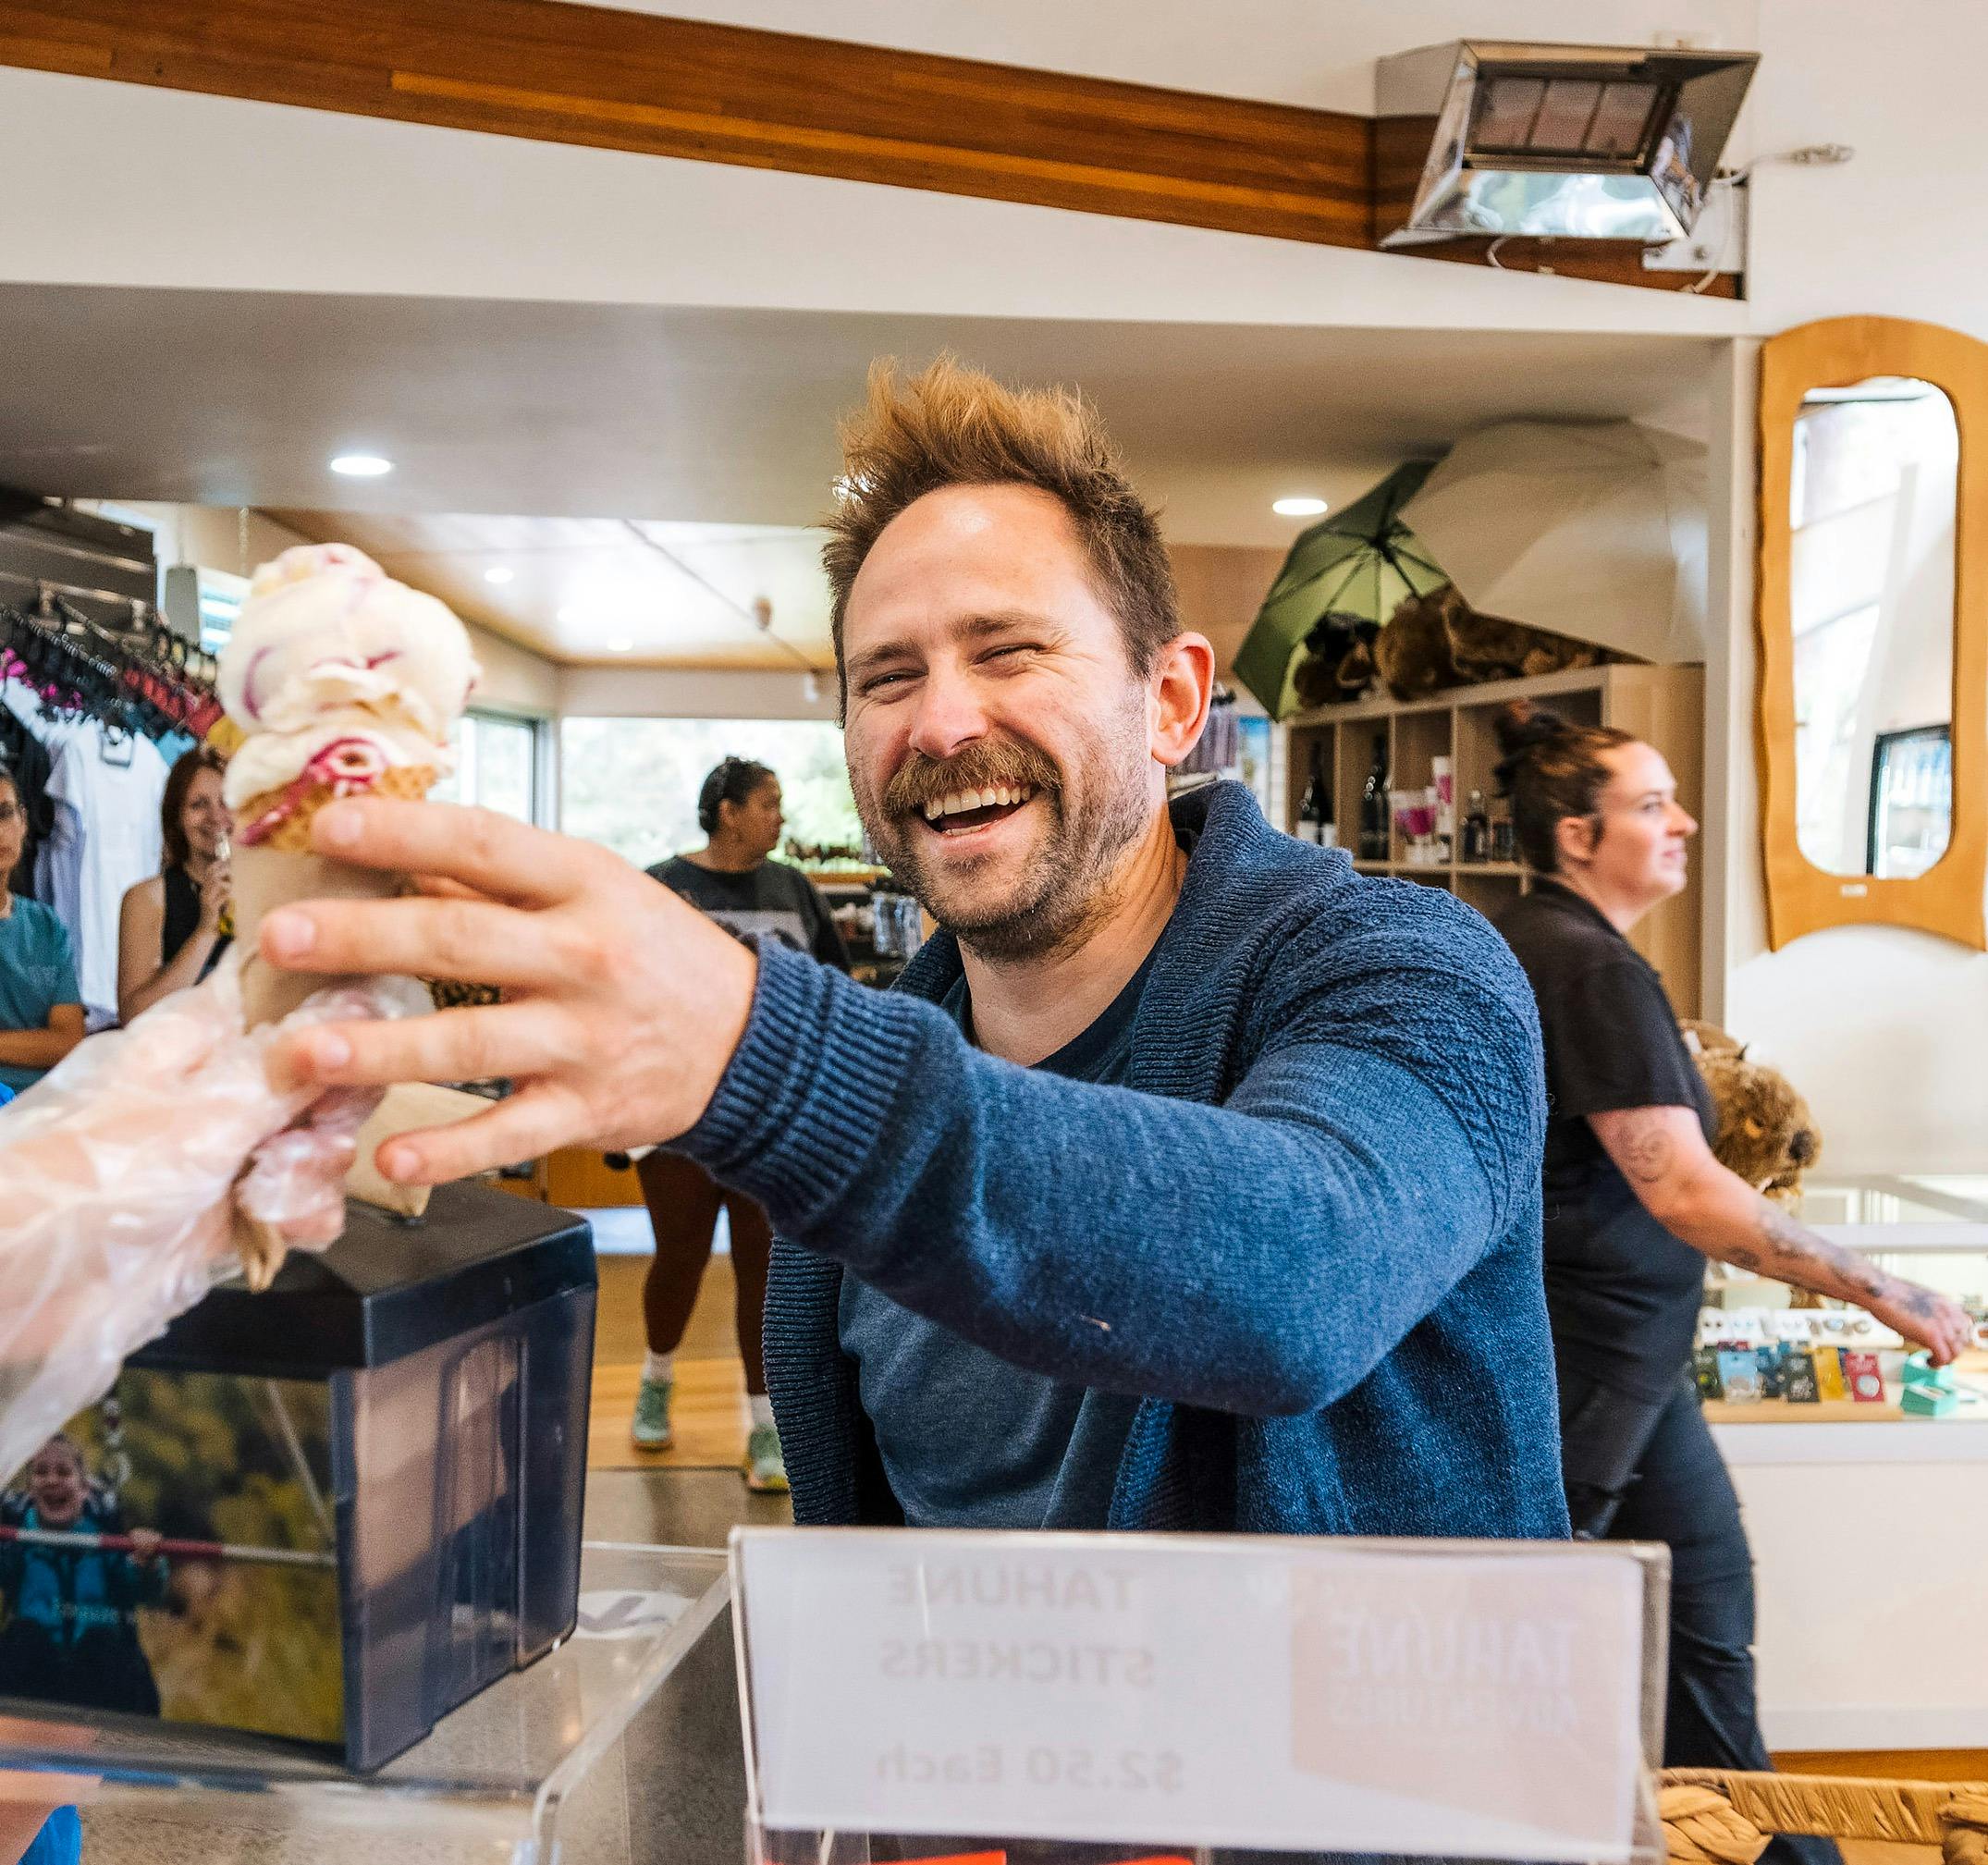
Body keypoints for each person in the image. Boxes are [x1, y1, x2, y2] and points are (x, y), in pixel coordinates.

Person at [258, 358, 1570, 1541]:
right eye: (887, 677)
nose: (941, 724)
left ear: (1169, 700)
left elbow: (1302, 1275)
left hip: (1341, 1809)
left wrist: (753, 1050)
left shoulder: (1405, 971)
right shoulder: (909, 1061)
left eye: (1008, 653)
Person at [1491, 701, 1971, 1865]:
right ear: (1574, 834)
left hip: (1630, 1371)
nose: (1683, 821)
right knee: (1572, 1677)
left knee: (1703, 1644)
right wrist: (1884, 1292)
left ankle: (1779, 1853)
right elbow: (1685, 1193)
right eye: (1650, 804)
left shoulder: (1560, 947)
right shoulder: (1583, 964)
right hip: (1587, 1371)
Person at [632, 757, 851, 1491]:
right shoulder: (662, 885)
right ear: (727, 811)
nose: (780, 817)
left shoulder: (794, 888)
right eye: (769, 802)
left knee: (767, 1271)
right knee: (680, 1259)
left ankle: (765, 1427)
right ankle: (656, 1380)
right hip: (679, 1118)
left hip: (774, 1120)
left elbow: (834, 990)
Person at [0, 1434, 165, 1717]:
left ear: (83, 1488)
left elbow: (144, 1589)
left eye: (63, 1472)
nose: (52, 1480)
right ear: (30, 1488)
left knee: (102, 1642)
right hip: (36, 1674)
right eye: (41, 1472)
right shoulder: (15, 1543)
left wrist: (146, 1561)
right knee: (26, 1637)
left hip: (95, 1678)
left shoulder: (106, 1539)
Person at [117, 745, 233, 1025]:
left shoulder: (268, 891)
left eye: (226, 802)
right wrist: (207, 930)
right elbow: (134, 1016)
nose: (216, 817)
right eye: (198, 805)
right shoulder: (148, 898)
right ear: (177, 818)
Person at [0, 767, 83, 1098]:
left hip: (46, 1107)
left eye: (4, 814)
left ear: (22, 821)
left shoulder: (46, 926)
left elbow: (69, 1041)